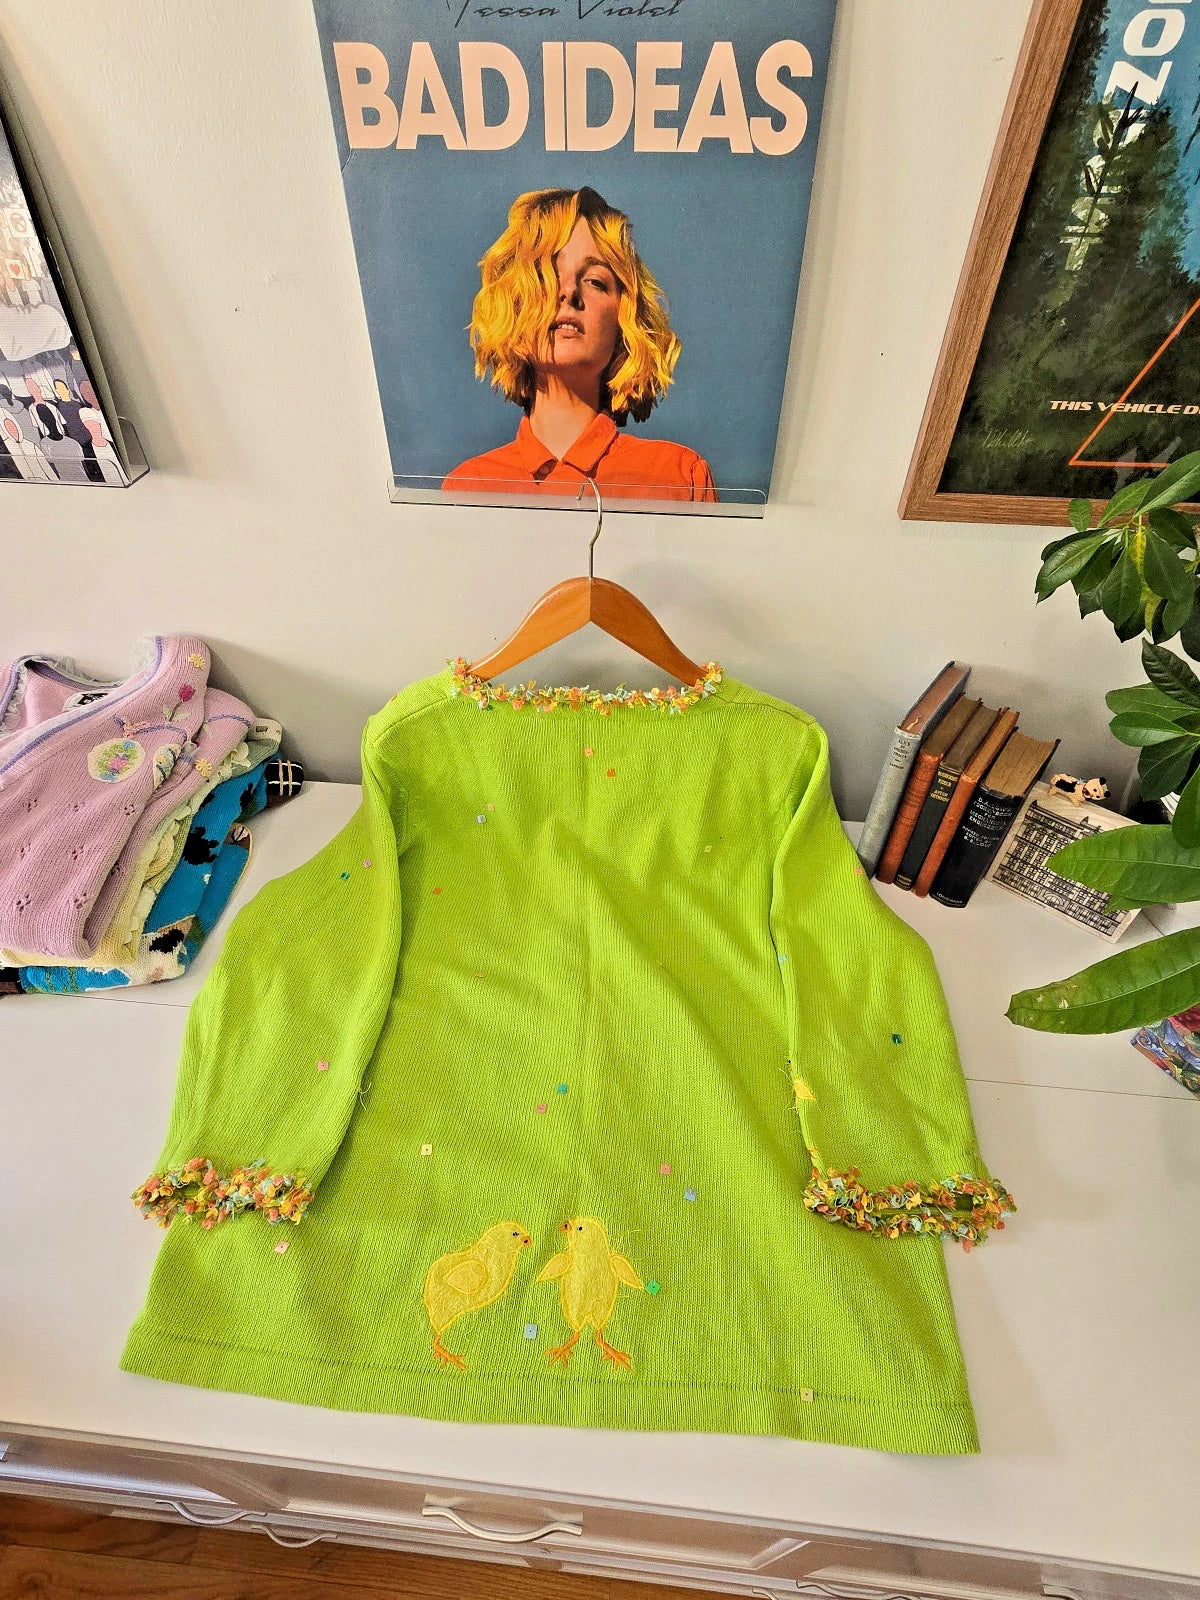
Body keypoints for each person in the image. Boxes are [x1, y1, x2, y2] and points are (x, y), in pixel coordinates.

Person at [443, 187, 715, 502]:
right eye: (546, 275)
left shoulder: (679, 477)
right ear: (514, 304)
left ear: (624, 320)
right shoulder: (467, 488)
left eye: (595, 281)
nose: (569, 291)